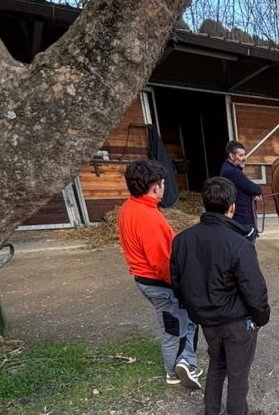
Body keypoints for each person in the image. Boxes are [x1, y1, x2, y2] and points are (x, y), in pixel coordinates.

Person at [170, 176, 271, 415]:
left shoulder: (182, 240)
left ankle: (211, 411)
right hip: (237, 322)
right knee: (237, 374)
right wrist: (261, 317)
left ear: (204, 203)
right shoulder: (239, 244)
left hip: (208, 321)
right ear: (232, 207)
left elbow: (177, 281)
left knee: (217, 365)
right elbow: (254, 289)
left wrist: (196, 310)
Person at [117, 159, 201, 389]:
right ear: (156, 187)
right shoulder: (149, 219)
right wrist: (181, 285)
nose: (165, 187)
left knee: (183, 320)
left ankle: (186, 361)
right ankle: (174, 370)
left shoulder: (130, 207)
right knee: (173, 326)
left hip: (146, 278)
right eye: (163, 183)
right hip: (159, 282)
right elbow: (162, 263)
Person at [220, 140, 263, 244]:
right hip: (243, 218)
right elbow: (256, 189)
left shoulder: (227, 167)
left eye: (244, 155)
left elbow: (241, 187)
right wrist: (255, 192)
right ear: (231, 155)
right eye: (241, 155)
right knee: (248, 249)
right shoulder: (232, 172)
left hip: (239, 216)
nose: (244, 158)